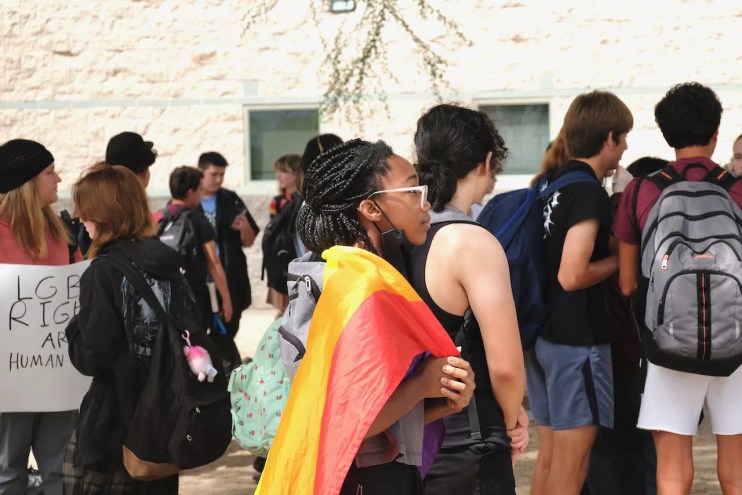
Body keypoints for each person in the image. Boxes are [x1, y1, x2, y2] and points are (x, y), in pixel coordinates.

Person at [294, 138, 476, 493]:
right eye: (413, 191)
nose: (426, 203)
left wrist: (442, 397)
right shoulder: (360, 285)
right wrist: (423, 383)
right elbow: (351, 420)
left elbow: (384, 416)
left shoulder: (355, 273)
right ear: (371, 209)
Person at [614, 82, 742, 494]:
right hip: (737, 344)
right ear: (716, 132)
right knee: (737, 472)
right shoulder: (738, 188)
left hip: (667, 347)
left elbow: (628, 282)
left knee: (671, 471)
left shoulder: (642, 190)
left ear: (667, 135)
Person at [409, 104, 526, 495]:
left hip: (404, 436)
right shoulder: (472, 242)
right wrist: (511, 422)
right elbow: (506, 366)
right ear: (486, 161)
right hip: (465, 440)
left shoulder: (399, 235)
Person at [63, 164, 202, 494]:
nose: (81, 219)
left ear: (104, 214)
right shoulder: (168, 261)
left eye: (86, 211)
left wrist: (74, 329)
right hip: (166, 415)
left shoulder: (103, 271)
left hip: (115, 423)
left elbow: (93, 356)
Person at [528, 90, 632, 495]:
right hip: (577, 343)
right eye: (623, 138)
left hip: (544, 337)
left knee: (551, 459)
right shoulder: (587, 192)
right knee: (572, 466)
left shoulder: (550, 185)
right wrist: (620, 261)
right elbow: (572, 275)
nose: (625, 148)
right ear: (609, 137)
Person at [0, 139, 79, 495]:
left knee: (60, 472)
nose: (58, 179)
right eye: (50, 172)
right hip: (9, 379)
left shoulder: (63, 232)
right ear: (27, 182)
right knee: (7, 472)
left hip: (58, 373)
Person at [160, 166, 233, 328]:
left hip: (162, 297)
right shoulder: (198, 219)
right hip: (193, 297)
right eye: (200, 190)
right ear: (190, 192)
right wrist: (227, 300)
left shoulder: (157, 217)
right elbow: (214, 263)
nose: (201, 194)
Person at [197, 151, 259, 340]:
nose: (218, 180)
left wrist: (245, 228)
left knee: (228, 331)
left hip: (229, 275)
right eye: (213, 174)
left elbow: (249, 241)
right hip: (199, 277)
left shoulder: (230, 199)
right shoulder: (189, 198)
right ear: (200, 172)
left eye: (222, 175)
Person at [265, 154, 301, 313]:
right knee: (283, 312)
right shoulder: (277, 201)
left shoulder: (305, 200)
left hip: (299, 258)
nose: (278, 176)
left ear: (297, 173)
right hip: (281, 262)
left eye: (283, 171)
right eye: (277, 172)